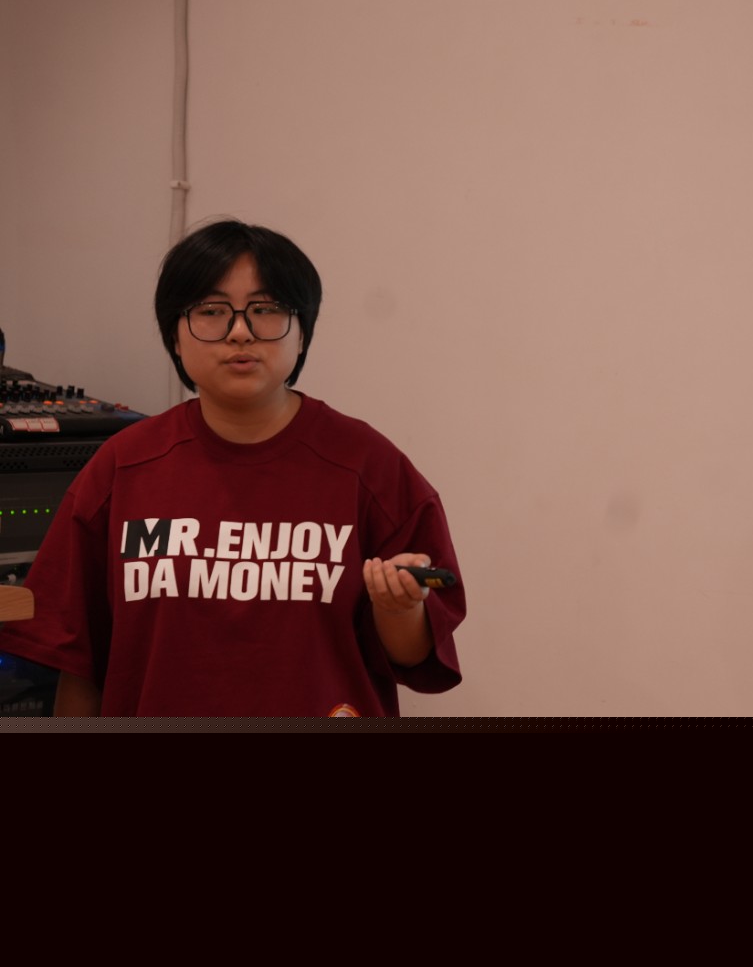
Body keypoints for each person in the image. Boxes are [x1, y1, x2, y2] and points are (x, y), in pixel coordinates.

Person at [0, 220, 466, 716]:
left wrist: (400, 607)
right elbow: (78, 659)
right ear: (175, 336)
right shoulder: (122, 466)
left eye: (265, 310)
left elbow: (414, 655)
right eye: (211, 311)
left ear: (302, 333)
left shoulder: (369, 467)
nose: (240, 332)